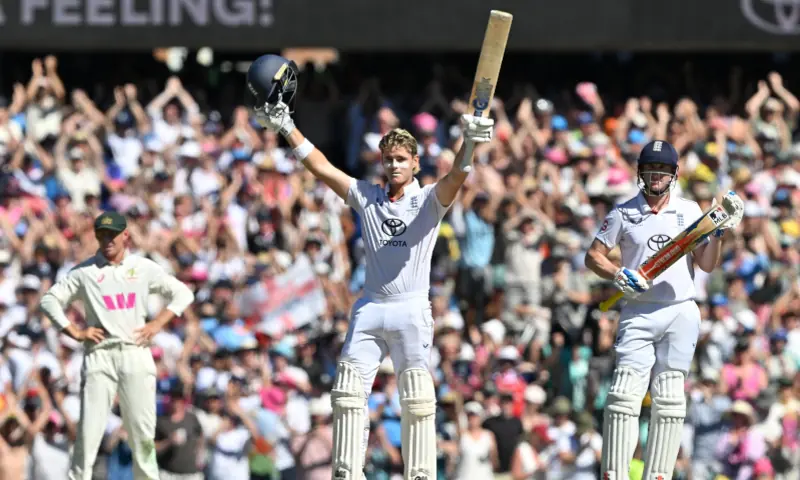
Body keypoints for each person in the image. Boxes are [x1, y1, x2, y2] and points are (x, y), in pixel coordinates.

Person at [246, 53, 493, 480]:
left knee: (416, 398)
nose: (394, 165)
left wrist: (469, 145)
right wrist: (287, 127)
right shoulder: (367, 196)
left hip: (412, 308)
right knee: (345, 392)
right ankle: (348, 472)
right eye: (389, 159)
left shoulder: (428, 199)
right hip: (371, 306)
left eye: (402, 159)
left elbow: (456, 178)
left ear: (415, 163)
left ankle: (419, 474)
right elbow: (321, 167)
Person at [584, 140, 744, 480]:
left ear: (674, 174)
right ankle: (615, 473)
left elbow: (707, 265)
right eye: (650, 170)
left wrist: (717, 234)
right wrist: (617, 273)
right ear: (640, 172)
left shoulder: (689, 212)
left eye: (663, 171)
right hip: (638, 311)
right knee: (623, 393)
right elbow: (592, 255)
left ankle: (658, 475)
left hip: (679, 311)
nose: (656, 177)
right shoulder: (622, 213)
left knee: (670, 397)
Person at [39, 210, 195, 480]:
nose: (107, 239)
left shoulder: (143, 267)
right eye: (101, 233)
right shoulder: (85, 272)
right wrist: (75, 331)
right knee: (88, 433)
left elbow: (183, 293)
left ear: (126, 236)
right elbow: (49, 301)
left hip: (135, 352)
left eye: (112, 233)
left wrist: (157, 324)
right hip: (100, 354)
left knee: (143, 434)